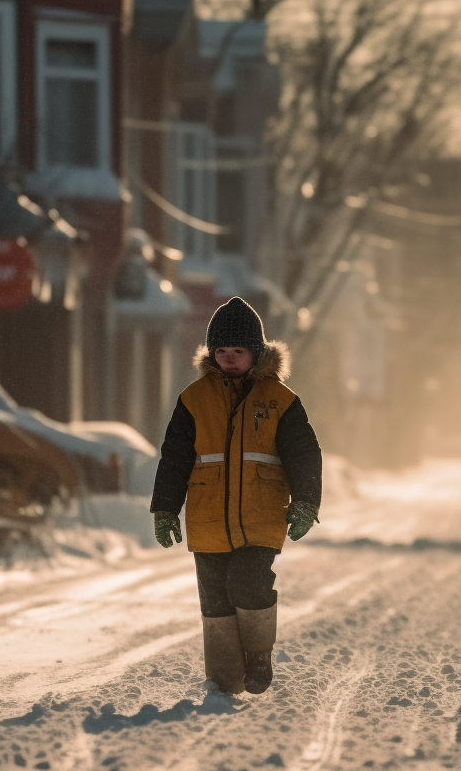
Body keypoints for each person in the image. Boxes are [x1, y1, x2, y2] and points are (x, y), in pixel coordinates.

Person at [150, 297, 323, 695]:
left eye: (238, 352)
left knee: (247, 584)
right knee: (215, 601)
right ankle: (225, 679)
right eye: (222, 352)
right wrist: (164, 508)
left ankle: (259, 654)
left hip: (260, 518)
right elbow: (175, 457)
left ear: (256, 353)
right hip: (208, 519)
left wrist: (306, 501)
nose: (229, 359)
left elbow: (303, 453)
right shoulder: (194, 399)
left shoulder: (280, 401)